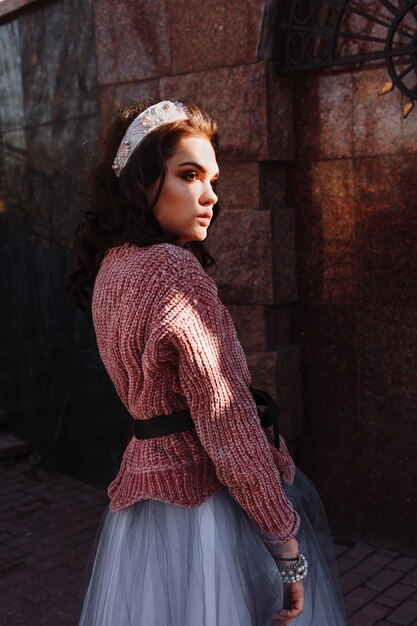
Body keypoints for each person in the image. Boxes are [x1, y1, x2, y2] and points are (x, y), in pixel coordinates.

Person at [67, 99, 348, 625]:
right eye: (188, 175)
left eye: (213, 178)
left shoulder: (111, 270)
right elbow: (228, 423)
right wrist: (286, 549)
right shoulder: (173, 269)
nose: (210, 196)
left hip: (145, 509)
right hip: (205, 507)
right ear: (141, 180)